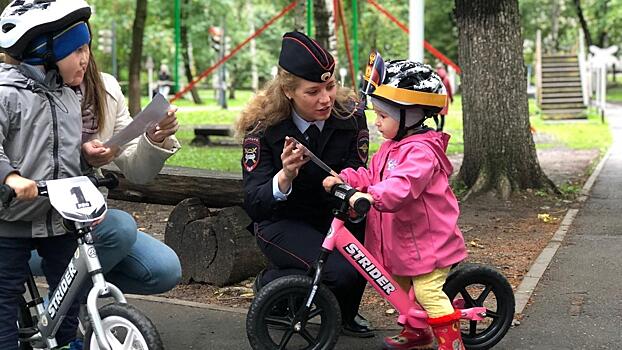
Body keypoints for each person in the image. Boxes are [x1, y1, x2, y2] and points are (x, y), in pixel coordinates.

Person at [323, 56, 468, 350]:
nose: (376, 122)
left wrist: (371, 195)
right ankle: (419, 333)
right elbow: (371, 173)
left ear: (410, 115)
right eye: (376, 114)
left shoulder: (421, 153)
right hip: (404, 244)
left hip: (429, 245)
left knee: (426, 292)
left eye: (382, 116)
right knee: (398, 290)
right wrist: (347, 178)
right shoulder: (391, 147)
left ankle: (452, 345)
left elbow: (401, 186)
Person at [235, 31, 373, 337]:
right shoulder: (264, 128)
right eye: (312, 92)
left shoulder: (350, 116)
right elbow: (255, 203)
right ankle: (273, 283)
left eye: (330, 86)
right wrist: (285, 176)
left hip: (334, 215)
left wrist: (347, 180)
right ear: (288, 91)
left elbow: (358, 168)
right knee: (339, 271)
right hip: (283, 221)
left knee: (370, 251)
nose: (325, 99)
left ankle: (345, 312)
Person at [0, 1, 93, 349]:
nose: (86, 58)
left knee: (71, 293)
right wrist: (10, 177)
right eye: (78, 49)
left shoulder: (69, 97)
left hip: (58, 216)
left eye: (87, 48)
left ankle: (67, 343)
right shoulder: (6, 94)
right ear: (45, 51)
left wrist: (87, 170)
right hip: (9, 215)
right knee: (4, 296)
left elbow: (66, 159)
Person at [435, 62, 454, 131]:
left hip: (436, 97)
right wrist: (451, 98)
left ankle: (437, 126)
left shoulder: (435, 77)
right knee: (442, 116)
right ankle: (441, 128)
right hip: (445, 97)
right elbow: (449, 89)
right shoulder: (446, 78)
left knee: (435, 114)